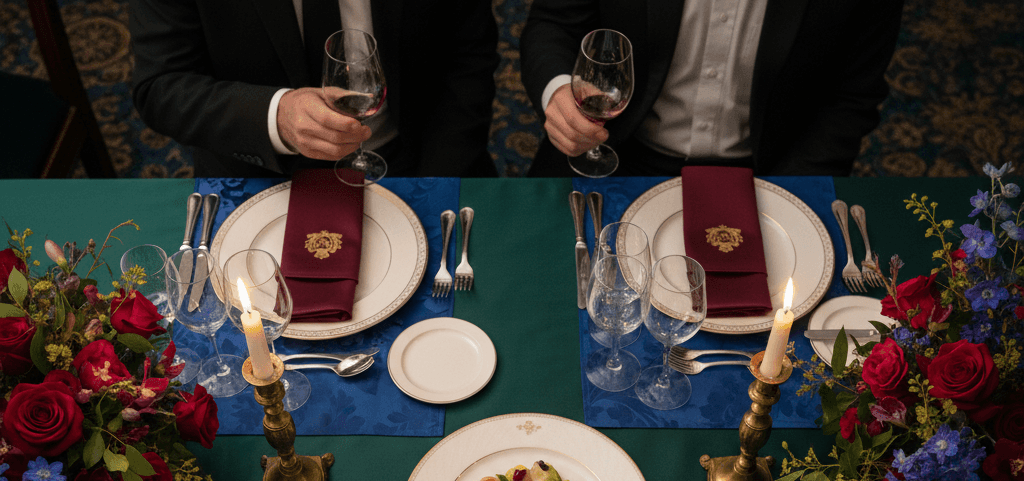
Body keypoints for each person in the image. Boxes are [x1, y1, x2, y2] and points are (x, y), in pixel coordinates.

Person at [520, 0, 905, 177]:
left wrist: (794, 190)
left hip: (765, 173)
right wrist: (558, 93)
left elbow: (852, 95)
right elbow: (553, 23)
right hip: (616, 151)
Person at [129, 0, 499, 177]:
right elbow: (162, 86)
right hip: (260, 175)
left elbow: (469, 55)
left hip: (421, 154)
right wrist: (276, 116)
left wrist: (438, 178)